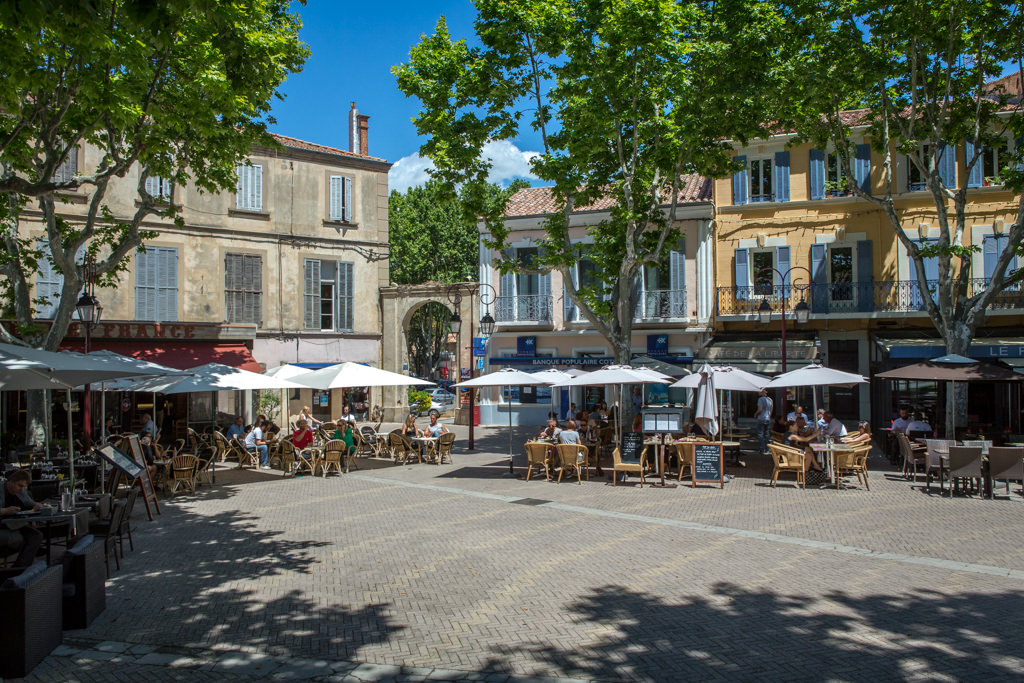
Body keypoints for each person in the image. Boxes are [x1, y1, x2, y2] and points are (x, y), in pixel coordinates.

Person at [1, 470, 45, 567]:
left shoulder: (20, 491)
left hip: (15, 524)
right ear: (11, 481)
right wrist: (5, 511)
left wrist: (36, 505)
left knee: (36, 535)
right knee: (20, 539)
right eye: (20, 486)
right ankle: (18, 571)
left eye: (24, 487)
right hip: (3, 526)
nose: (22, 489)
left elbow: (30, 503)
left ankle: (20, 569)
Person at [754, 388, 774, 455]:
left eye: (759, 391)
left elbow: (760, 409)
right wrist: (769, 416)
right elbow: (771, 410)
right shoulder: (770, 400)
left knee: (760, 434)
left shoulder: (760, 399)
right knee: (767, 434)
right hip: (767, 418)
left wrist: (755, 414)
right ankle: (767, 449)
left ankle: (762, 449)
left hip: (761, 418)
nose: (758, 393)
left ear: (762, 392)